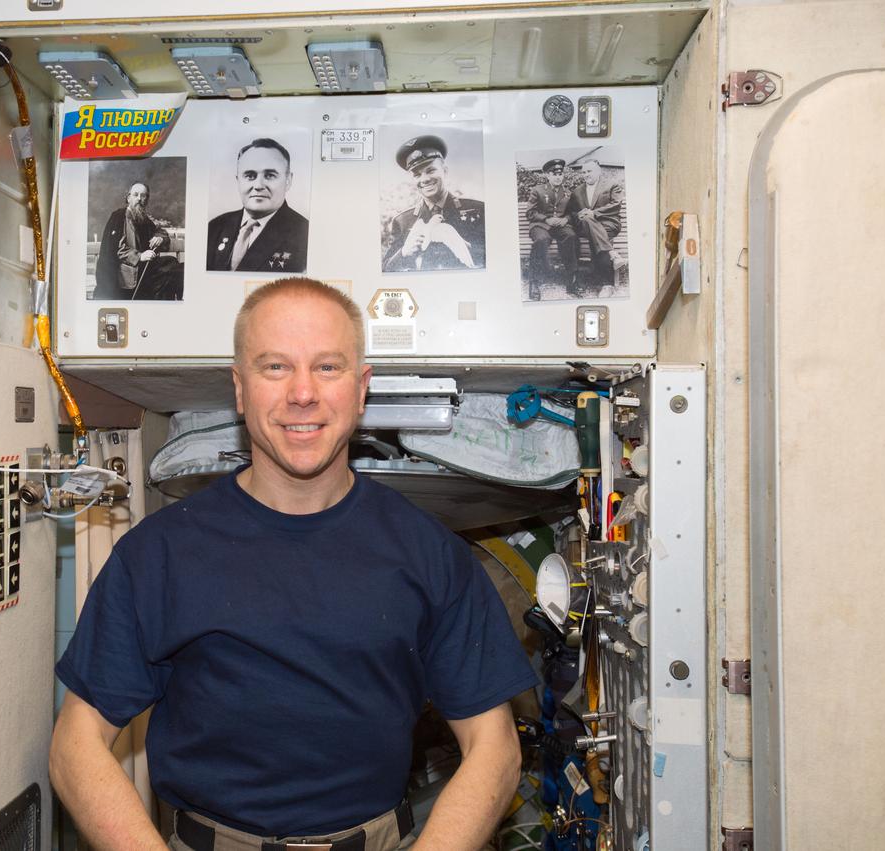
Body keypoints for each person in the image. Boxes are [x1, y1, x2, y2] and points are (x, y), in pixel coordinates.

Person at [50, 277, 538, 851]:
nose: (302, 393)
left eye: (327, 367)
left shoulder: (430, 553)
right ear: (240, 388)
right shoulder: (158, 553)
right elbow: (75, 745)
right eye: (275, 367)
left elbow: (495, 747)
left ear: (361, 389)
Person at [383, 135, 486, 272]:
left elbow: (498, 256)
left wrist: (467, 247)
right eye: (417, 175)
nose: (424, 179)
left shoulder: (478, 210)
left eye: (431, 170)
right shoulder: (402, 221)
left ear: (445, 171)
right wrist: (403, 253)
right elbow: (385, 269)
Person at [207, 138, 309, 273]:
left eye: (270, 175)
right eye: (250, 176)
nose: (258, 186)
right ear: (238, 181)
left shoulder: (305, 234)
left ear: (288, 181)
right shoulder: (215, 227)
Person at [94, 182, 181, 301]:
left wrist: (159, 238)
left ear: (146, 200)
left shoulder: (143, 218)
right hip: (126, 274)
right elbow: (117, 249)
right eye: (136, 195)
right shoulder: (118, 217)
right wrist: (140, 256)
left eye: (143, 195)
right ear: (128, 198)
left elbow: (160, 231)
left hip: (144, 270)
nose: (139, 199)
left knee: (173, 265)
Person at [567, 160, 626, 293]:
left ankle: (601, 280)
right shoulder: (577, 191)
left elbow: (616, 204)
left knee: (596, 229)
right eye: (584, 172)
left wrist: (594, 213)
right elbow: (571, 212)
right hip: (585, 226)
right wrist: (579, 214)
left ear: (598, 171)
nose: (586, 174)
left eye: (589, 171)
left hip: (608, 223)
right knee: (589, 221)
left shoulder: (612, 185)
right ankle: (608, 281)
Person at [525, 158, 580, 296]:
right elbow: (530, 213)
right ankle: (534, 282)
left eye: (560, 174)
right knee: (542, 240)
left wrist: (565, 219)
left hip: (560, 226)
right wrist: (546, 219)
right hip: (540, 225)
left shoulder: (568, 193)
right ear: (547, 175)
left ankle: (571, 281)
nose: (557, 177)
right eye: (554, 174)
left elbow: (573, 212)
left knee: (571, 236)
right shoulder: (537, 190)